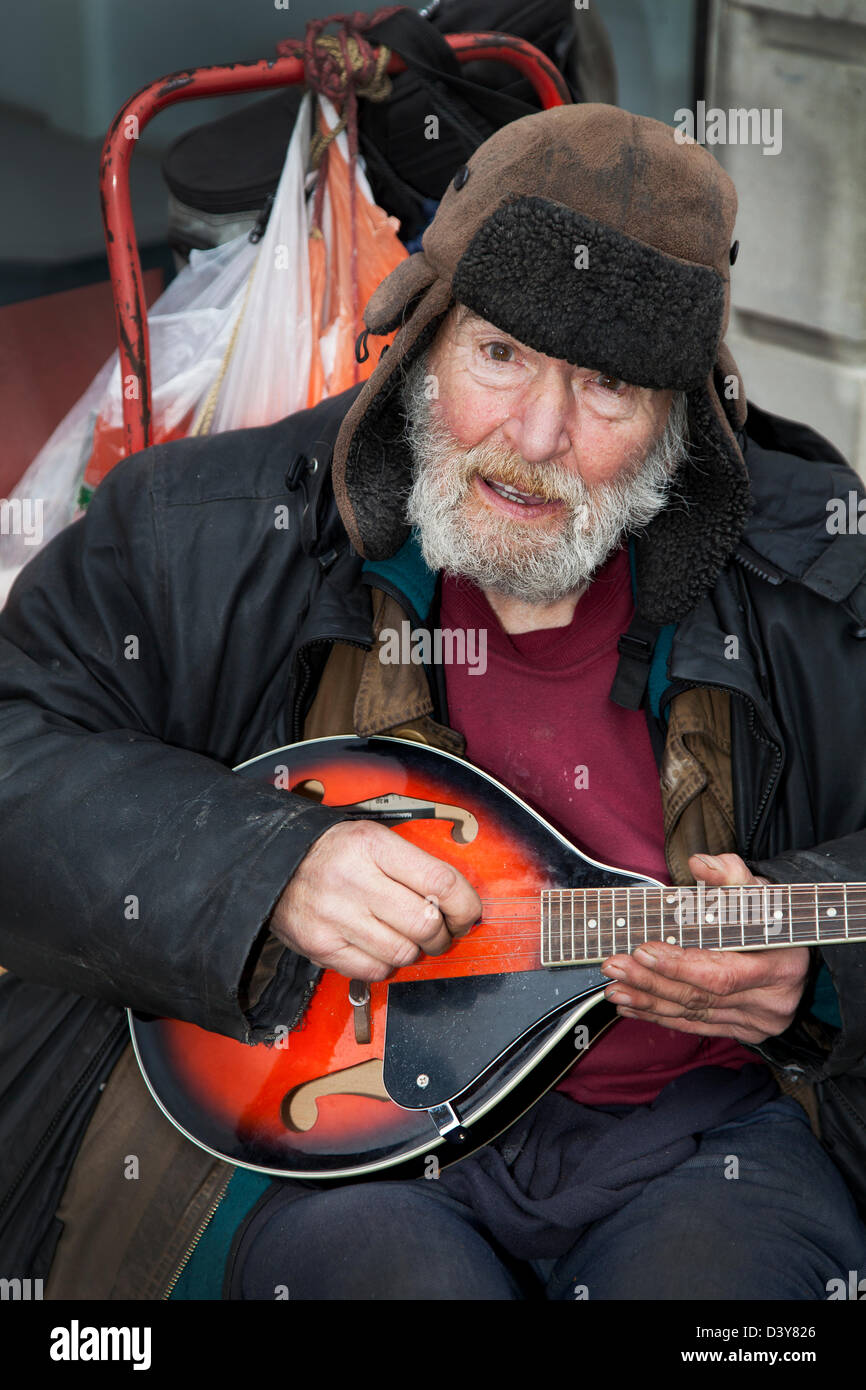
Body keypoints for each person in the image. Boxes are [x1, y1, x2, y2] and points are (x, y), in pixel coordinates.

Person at [1, 103, 865, 1301]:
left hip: (698, 1136)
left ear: (685, 423)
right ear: (419, 339)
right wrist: (262, 871)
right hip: (336, 1150)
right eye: (498, 355)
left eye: (609, 388)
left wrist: (813, 961)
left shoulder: (819, 576)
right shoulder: (198, 532)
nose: (536, 437)